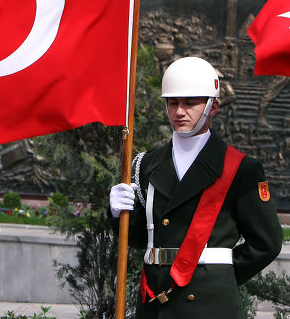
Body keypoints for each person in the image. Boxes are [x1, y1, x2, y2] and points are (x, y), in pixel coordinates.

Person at [109, 56, 283, 318]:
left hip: (210, 302)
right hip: (155, 300)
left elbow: (266, 243)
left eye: (190, 103)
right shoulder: (145, 164)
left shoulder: (241, 168)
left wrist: (219, 276)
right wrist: (118, 214)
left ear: (213, 107)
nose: (179, 111)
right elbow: (140, 239)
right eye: (173, 102)